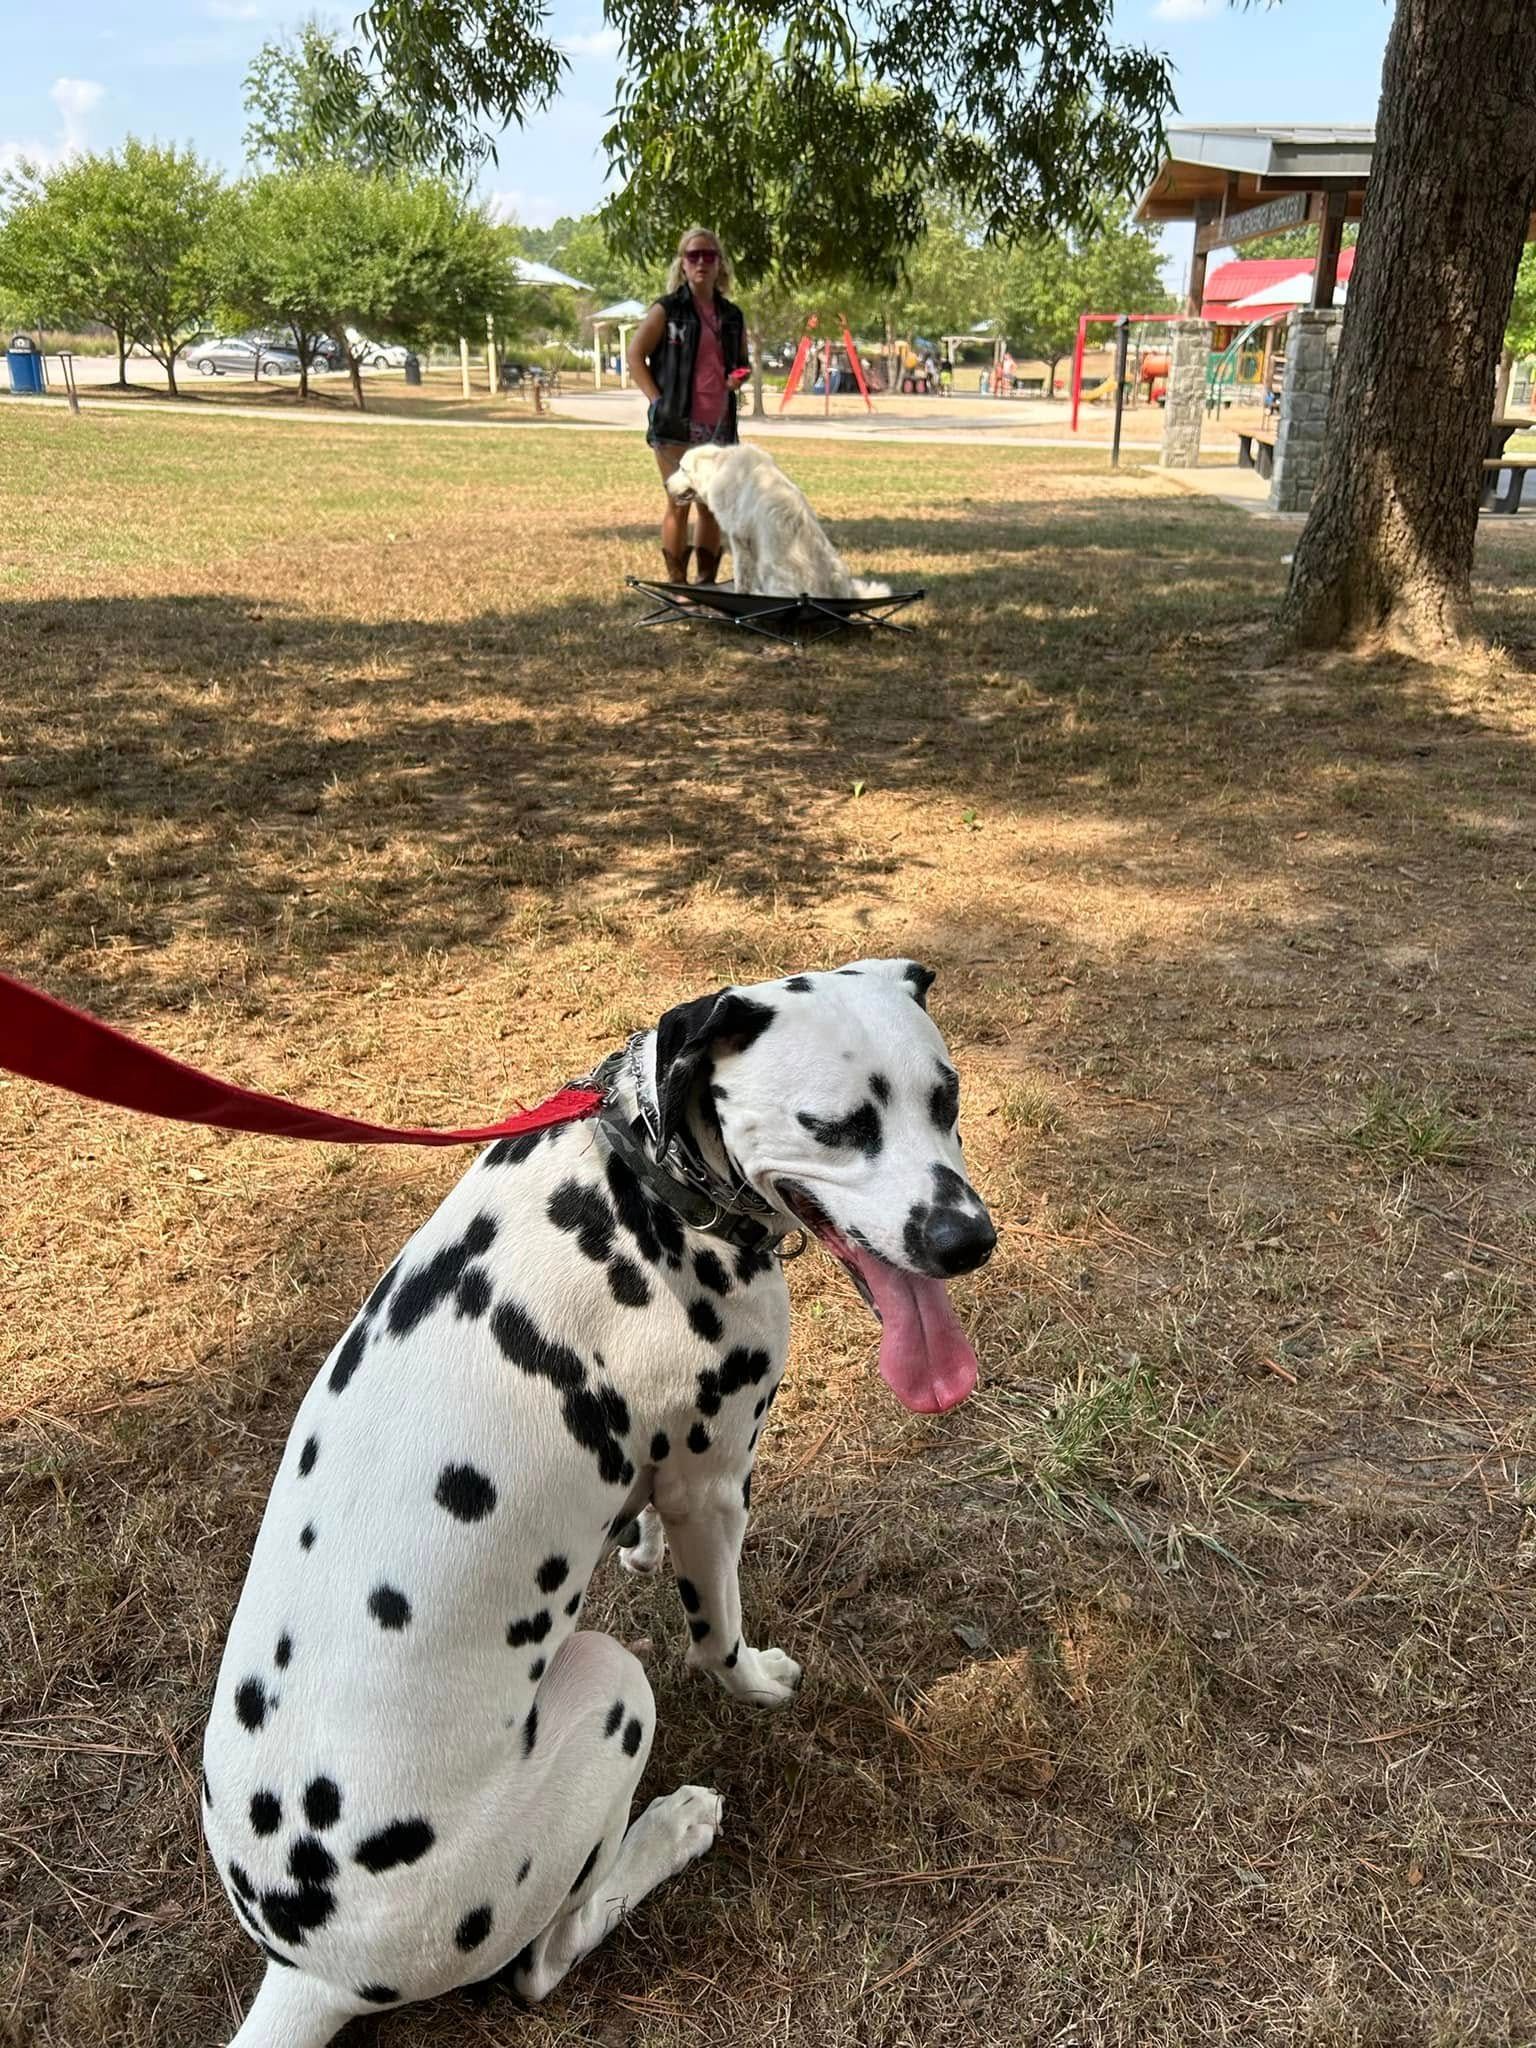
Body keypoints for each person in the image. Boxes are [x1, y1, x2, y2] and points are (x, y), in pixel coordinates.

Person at [627, 227, 750, 586]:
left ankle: (706, 585)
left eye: (708, 256)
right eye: (693, 256)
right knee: (679, 503)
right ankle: (678, 587)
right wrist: (657, 400)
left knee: (711, 507)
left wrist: (737, 377)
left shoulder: (732, 316)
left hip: (719, 427)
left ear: (719, 265)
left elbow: (740, 363)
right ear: (682, 264)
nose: (701, 263)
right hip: (675, 425)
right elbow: (635, 355)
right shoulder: (667, 311)